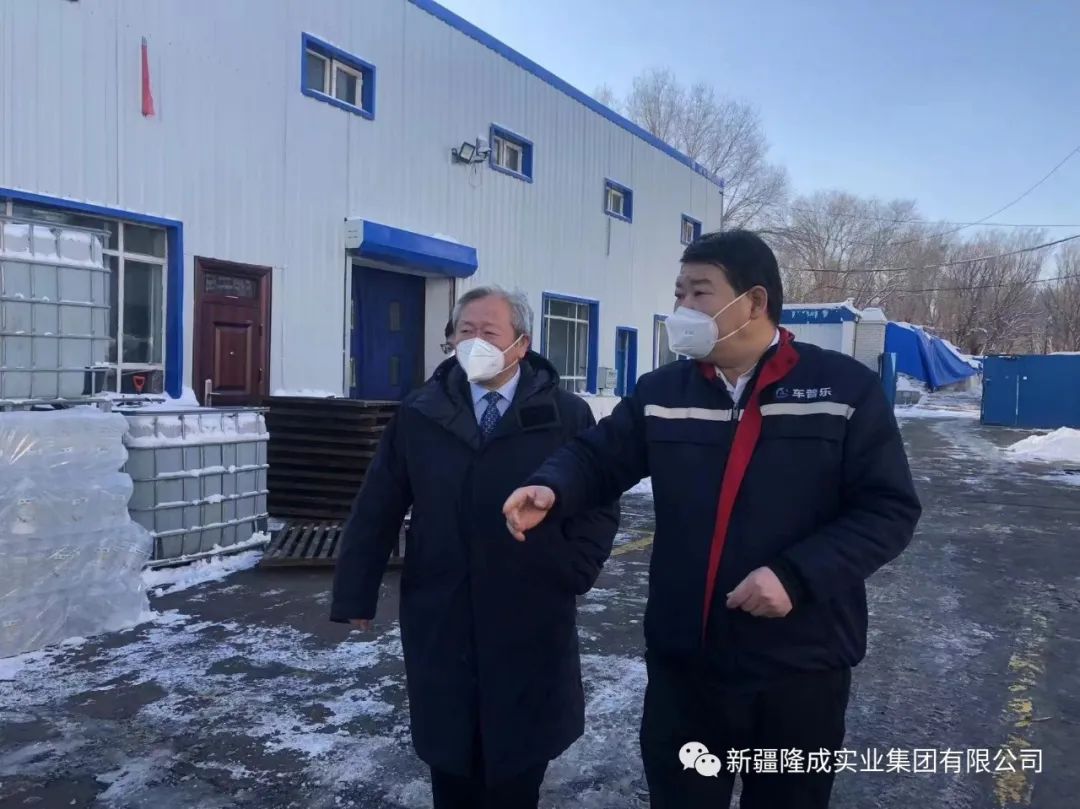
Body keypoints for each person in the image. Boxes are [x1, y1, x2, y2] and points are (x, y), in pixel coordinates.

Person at [503, 230, 922, 809]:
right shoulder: (663, 391)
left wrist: (796, 577)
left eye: (700, 292)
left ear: (754, 301)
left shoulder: (842, 390)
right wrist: (552, 486)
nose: (683, 307)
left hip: (800, 666)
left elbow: (888, 509)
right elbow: (598, 456)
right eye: (679, 293)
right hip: (687, 663)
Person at [331, 286, 619, 809]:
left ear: (521, 345)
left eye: (489, 332)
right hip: (441, 605)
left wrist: (573, 565)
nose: (475, 342)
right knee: (451, 755)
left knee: (518, 761)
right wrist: (356, 591)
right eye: (465, 331)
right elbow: (378, 503)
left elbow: (599, 500)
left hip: (530, 606)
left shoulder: (565, 414)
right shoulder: (420, 413)